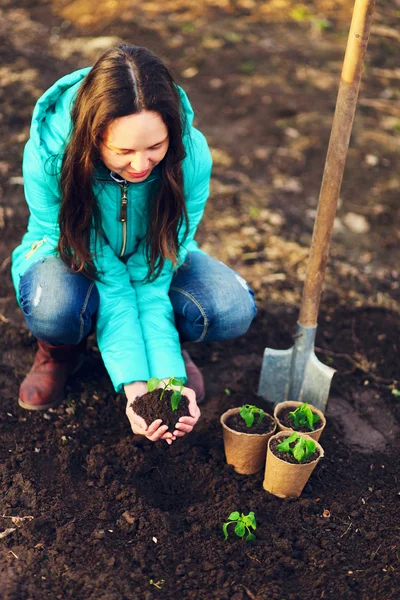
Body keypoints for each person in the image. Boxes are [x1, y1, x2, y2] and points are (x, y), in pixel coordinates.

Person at [11, 44, 257, 444]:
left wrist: (166, 378)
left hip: (155, 256)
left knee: (230, 307)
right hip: (71, 255)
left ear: (171, 133)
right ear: (94, 135)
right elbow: (107, 275)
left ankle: (173, 339)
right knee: (56, 307)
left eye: (155, 148)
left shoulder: (190, 155)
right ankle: (58, 352)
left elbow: (154, 269)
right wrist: (134, 384)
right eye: (122, 151)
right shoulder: (50, 156)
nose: (141, 165)